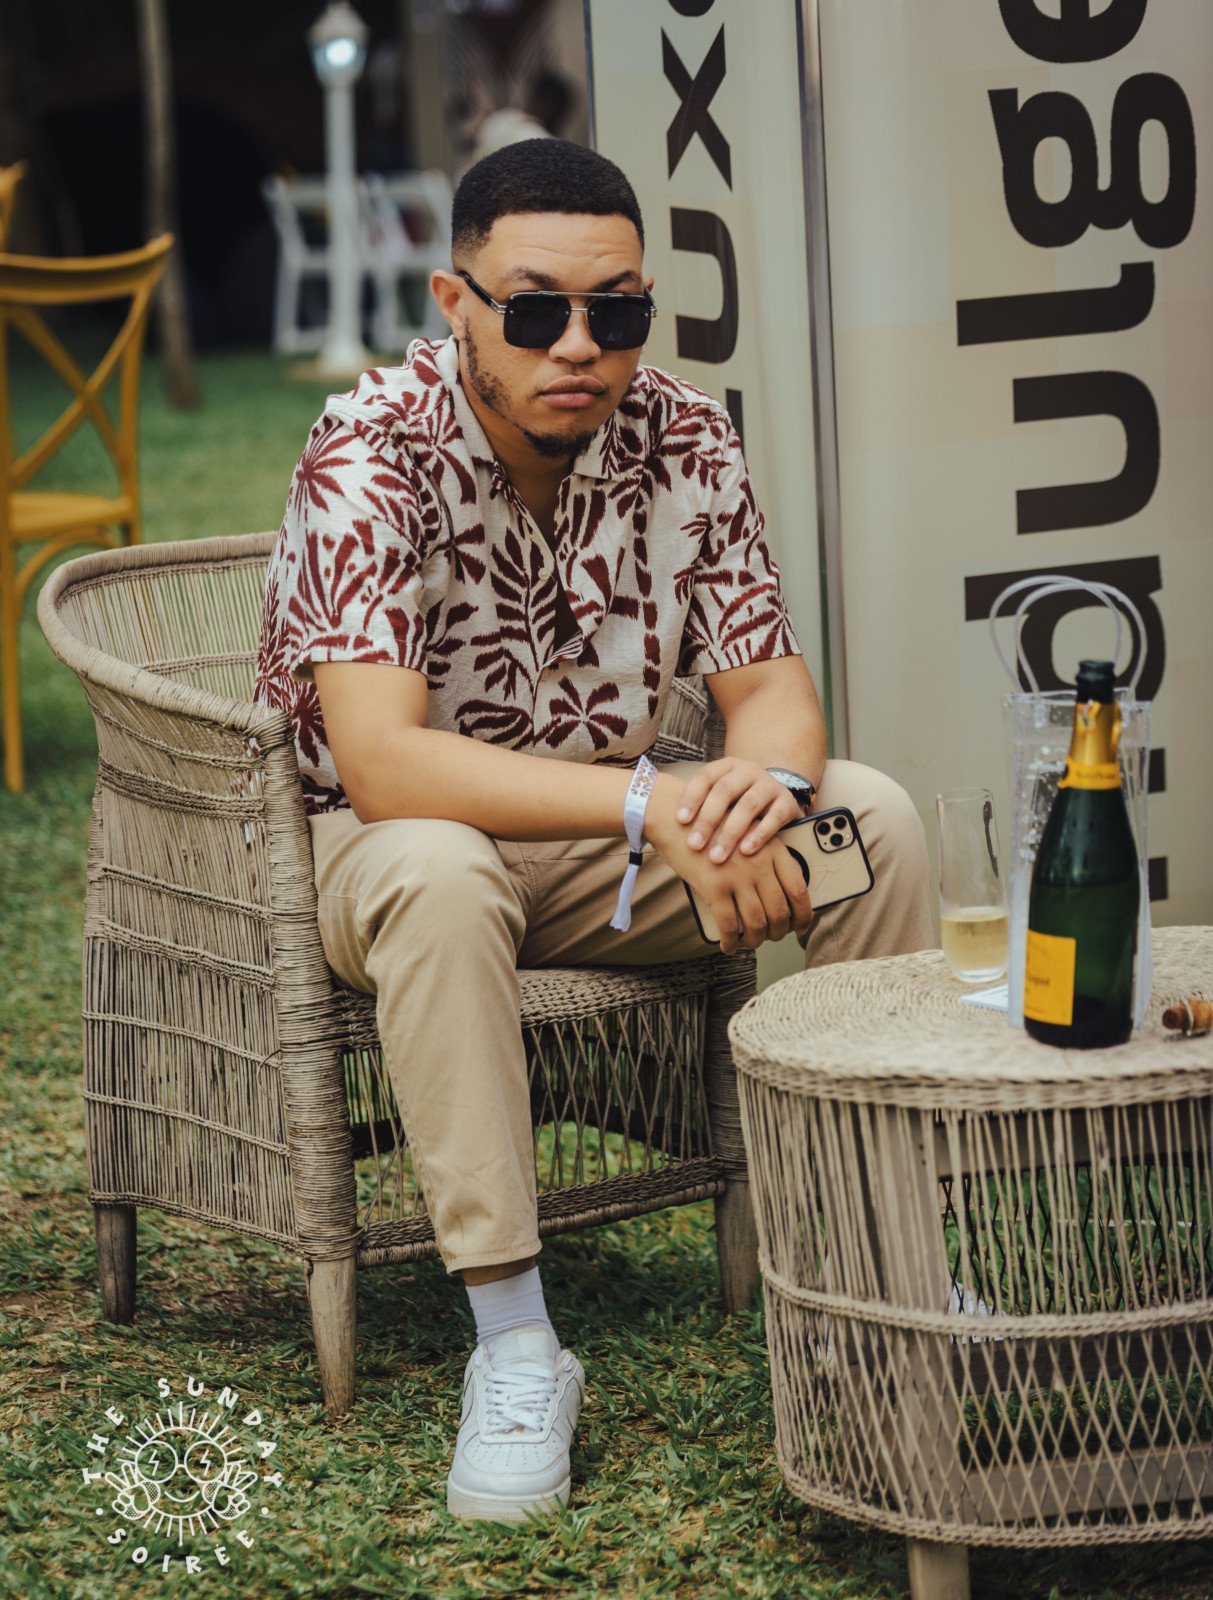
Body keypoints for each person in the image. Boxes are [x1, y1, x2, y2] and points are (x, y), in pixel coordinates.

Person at [253, 138, 932, 1524]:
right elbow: (382, 764)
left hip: (613, 856)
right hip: (378, 859)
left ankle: (881, 1275)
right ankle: (516, 1342)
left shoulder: (685, 433)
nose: (580, 344)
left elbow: (773, 696)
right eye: (535, 309)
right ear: (455, 303)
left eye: (615, 310)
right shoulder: (368, 448)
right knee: (440, 870)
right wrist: (647, 801)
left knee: (871, 825)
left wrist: (758, 795)